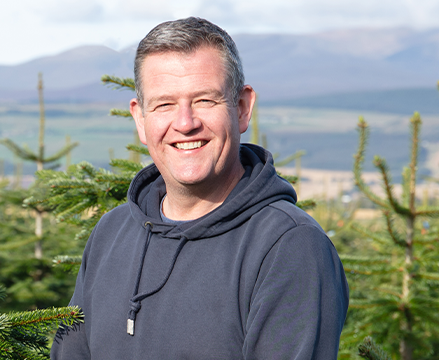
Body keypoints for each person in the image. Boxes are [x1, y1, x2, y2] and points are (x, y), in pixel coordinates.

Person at [50, 17, 348, 359]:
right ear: (140, 119)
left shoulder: (289, 246)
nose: (185, 123)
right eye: (164, 104)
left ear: (241, 108)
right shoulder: (111, 233)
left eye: (205, 100)